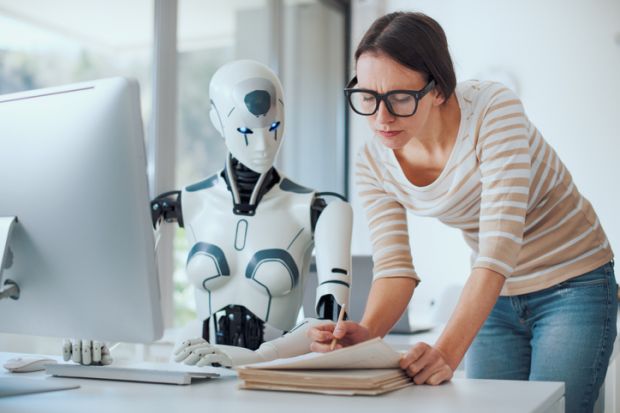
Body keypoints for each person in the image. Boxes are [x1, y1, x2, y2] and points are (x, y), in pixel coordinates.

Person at [308, 11, 616, 413]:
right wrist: (366, 336)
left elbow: (498, 246)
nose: (381, 118)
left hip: (573, 284)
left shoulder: (492, 109)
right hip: (497, 299)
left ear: (437, 89)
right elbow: (395, 269)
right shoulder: (374, 159)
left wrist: (447, 352)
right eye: (367, 97)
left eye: (400, 98)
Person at [64, 60, 354, 368]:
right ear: (217, 120)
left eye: (273, 128)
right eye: (245, 130)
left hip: (274, 375)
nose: (262, 145)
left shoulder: (320, 208)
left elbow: (332, 327)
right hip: (196, 370)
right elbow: (123, 287)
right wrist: (96, 334)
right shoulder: (185, 203)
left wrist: (258, 357)